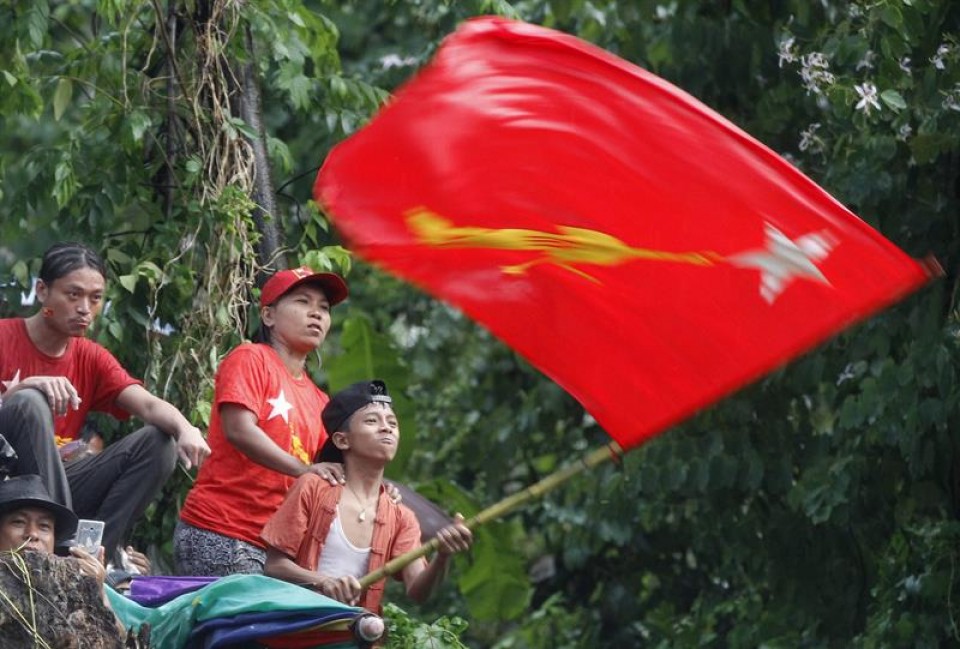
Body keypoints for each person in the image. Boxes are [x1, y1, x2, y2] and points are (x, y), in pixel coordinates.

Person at [0, 242, 211, 562]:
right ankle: (61, 551)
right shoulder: (4, 336)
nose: (85, 307)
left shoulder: (90, 356)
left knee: (159, 441)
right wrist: (22, 391)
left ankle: (97, 554)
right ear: (42, 291)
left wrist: (186, 428)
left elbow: (149, 406)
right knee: (30, 401)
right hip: (8, 485)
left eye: (95, 298)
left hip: (55, 494)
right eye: (73, 295)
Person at [174, 266, 350, 576]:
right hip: (221, 530)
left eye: (324, 308)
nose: (316, 314)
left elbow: (330, 475)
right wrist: (303, 469)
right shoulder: (250, 358)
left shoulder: (321, 400)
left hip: (275, 551)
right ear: (268, 316)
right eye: (303, 302)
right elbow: (240, 430)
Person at [261, 380, 473, 613]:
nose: (387, 428)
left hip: (353, 637)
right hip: (296, 632)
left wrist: (442, 557)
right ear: (343, 440)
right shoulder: (312, 487)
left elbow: (418, 592)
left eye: (392, 422)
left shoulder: (401, 516)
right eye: (372, 421)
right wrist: (324, 581)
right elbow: (274, 565)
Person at [0, 474, 119, 625]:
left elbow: (123, 640)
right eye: (18, 522)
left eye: (44, 526)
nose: (33, 534)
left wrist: (97, 592)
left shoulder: (68, 589)